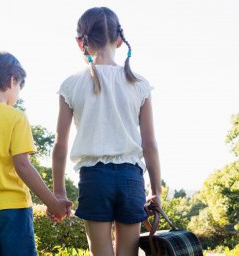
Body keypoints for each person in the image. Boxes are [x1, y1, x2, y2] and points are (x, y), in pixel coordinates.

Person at [51, 7, 163, 256]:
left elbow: (60, 144)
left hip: (94, 179)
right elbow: (150, 144)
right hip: (131, 179)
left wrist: (59, 192)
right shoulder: (139, 84)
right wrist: (155, 190)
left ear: (80, 42)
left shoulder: (71, 85)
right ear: (119, 40)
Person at [0, 52, 72, 256]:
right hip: (13, 209)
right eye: (19, 88)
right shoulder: (16, 117)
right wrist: (52, 203)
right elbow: (22, 165)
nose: (17, 95)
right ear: (12, 80)